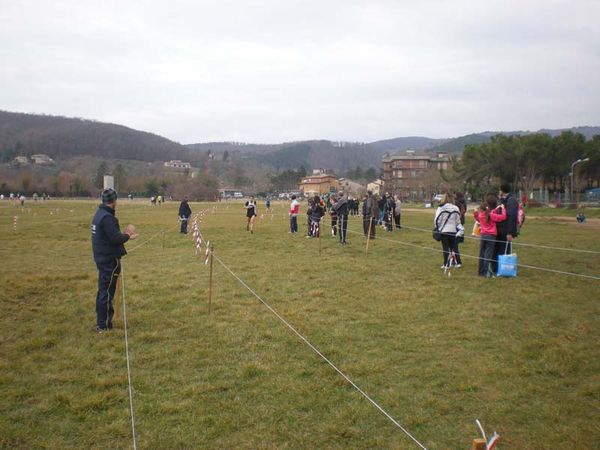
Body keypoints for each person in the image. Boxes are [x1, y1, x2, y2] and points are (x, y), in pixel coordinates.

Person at [91, 188, 138, 333]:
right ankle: (103, 325)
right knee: (106, 292)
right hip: (109, 260)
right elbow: (116, 238)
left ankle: (103, 321)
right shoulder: (107, 218)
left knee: (103, 290)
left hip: (102, 258)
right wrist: (128, 234)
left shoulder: (99, 215)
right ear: (114, 201)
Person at [474, 195, 506, 277]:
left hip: (483, 235)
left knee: (481, 254)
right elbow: (503, 217)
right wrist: (503, 209)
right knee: (488, 254)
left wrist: (496, 209)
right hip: (491, 236)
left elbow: (480, 216)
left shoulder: (481, 215)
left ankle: (480, 272)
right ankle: (486, 272)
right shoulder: (491, 216)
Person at [493, 184, 519, 274]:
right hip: (500, 229)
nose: (499, 191)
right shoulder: (504, 199)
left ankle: (505, 269)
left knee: (504, 249)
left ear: (503, 190)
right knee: (499, 249)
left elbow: (512, 217)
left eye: (500, 190)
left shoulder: (511, 201)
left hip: (505, 230)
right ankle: (498, 268)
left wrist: (510, 232)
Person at [434, 193, 461, 269]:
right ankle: (457, 262)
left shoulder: (441, 208)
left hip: (444, 230)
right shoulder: (456, 208)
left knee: (445, 248)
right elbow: (458, 220)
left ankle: (447, 264)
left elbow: (437, 220)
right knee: (454, 247)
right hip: (453, 230)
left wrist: (438, 228)